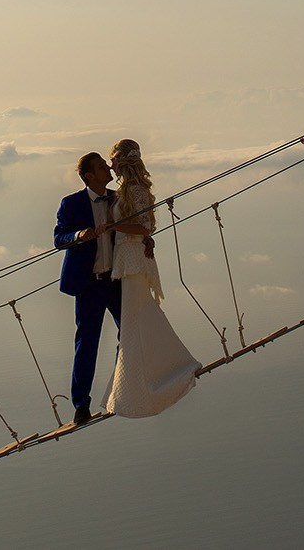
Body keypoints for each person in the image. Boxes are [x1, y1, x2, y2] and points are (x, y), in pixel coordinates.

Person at [100, 138, 199, 418]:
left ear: (123, 162)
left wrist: (112, 225)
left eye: (114, 161)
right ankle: (135, 381)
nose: (112, 165)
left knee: (136, 318)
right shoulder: (126, 190)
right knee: (136, 317)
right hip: (127, 257)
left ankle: (145, 381)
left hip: (133, 258)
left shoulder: (135, 189)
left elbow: (145, 226)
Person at [53, 151, 122, 425]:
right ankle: (81, 404)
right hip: (88, 284)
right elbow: (59, 238)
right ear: (88, 176)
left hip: (115, 280)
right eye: (102, 167)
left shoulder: (117, 198)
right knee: (87, 344)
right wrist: (79, 235)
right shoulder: (71, 203)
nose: (108, 169)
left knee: (129, 333)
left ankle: (121, 385)